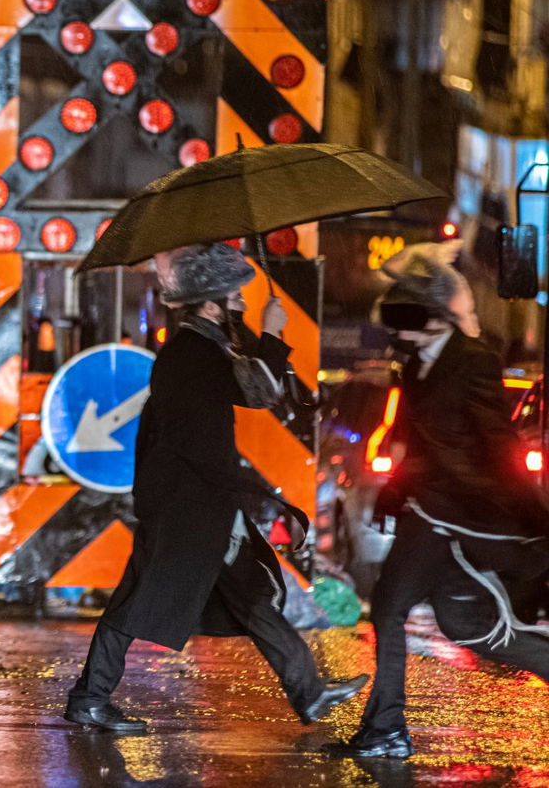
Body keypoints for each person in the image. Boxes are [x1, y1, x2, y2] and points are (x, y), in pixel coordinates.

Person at [65, 242, 368, 732]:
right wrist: (267, 333)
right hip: (190, 508)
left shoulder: (201, 348)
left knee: (251, 598)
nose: (241, 304)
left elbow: (259, 390)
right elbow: (216, 425)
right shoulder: (193, 353)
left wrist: (268, 334)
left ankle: (309, 693)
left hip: (196, 504)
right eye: (234, 297)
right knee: (138, 601)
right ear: (210, 303)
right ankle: (90, 697)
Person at [342, 243, 549, 758]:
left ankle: (386, 730)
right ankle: (385, 728)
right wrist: (393, 496)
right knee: (467, 625)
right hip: (430, 507)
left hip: (456, 509)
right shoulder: (412, 367)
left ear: (433, 317)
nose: (395, 331)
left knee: (388, 607)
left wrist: (530, 513)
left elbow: (497, 441)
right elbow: (411, 442)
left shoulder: (473, 359)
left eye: (405, 318)